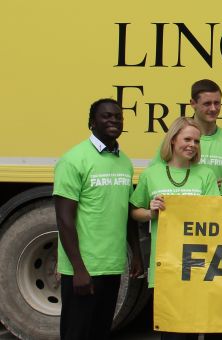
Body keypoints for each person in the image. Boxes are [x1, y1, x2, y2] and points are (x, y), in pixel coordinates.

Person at [54, 98, 143, 339]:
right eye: (106, 116)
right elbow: (64, 219)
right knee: (76, 333)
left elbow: (126, 211)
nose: (114, 120)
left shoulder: (124, 162)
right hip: (84, 269)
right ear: (92, 123)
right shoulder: (73, 160)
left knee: (100, 332)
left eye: (118, 116)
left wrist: (135, 252)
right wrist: (79, 269)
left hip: (112, 266)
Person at [129, 117, 220, 340]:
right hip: (165, 267)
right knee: (172, 335)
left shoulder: (206, 175)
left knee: (198, 331)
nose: (192, 145)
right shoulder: (152, 174)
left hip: (199, 266)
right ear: (172, 140)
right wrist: (151, 212)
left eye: (197, 141)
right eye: (187, 139)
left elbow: (216, 214)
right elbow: (134, 211)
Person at [152, 79, 222, 183]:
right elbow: (155, 176)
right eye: (207, 103)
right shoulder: (176, 138)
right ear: (193, 103)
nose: (213, 108)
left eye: (217, 103)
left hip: (219, 199)